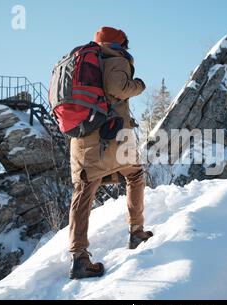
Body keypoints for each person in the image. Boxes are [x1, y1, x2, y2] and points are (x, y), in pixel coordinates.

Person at [68, 27, 153, 280]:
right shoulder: (116, 59)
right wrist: (138, 85)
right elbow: (118, 87)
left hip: (81, 137)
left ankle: (78, 257)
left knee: (83, 192)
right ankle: (136, 232)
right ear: (119, 43)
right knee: (135, 175)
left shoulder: (81, 62)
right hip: (110, 136)